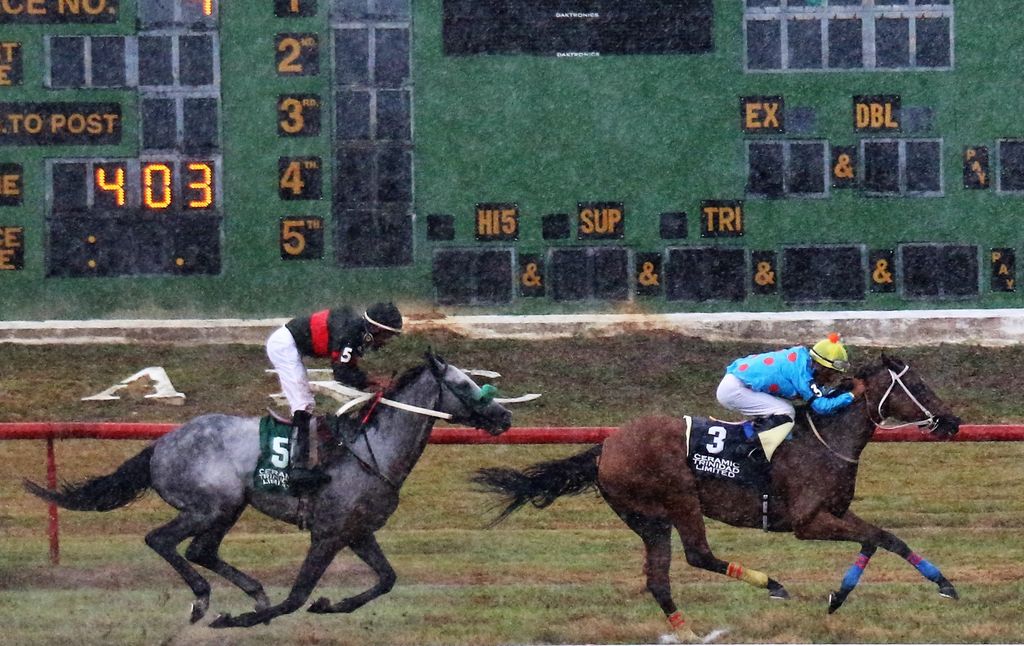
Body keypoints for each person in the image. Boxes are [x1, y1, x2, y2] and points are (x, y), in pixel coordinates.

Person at [266, 301, 403, 491]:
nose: (386, 341)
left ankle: (317, 456)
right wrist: (373, 380)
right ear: (375, 328)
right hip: (284, 346)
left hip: (292, 345)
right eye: (387, 335)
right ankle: (298, 467)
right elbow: (341, 373)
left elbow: (348, 369)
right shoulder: (351, 333)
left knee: (310, 403)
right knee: (303, 404)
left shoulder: (356, 332)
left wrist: (370, 382)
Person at [715, 332, 864, 462]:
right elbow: (821, 407)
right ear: (820, 366)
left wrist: (840, 390)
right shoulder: (802, 374)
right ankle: (749, 450)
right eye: (832, 373)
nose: (832, 378)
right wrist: (853, 394)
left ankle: (766, 444)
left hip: (739, 384)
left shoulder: (804, 362)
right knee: (786, 411)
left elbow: (819, 394)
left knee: (785, 409)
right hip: (734, 390)